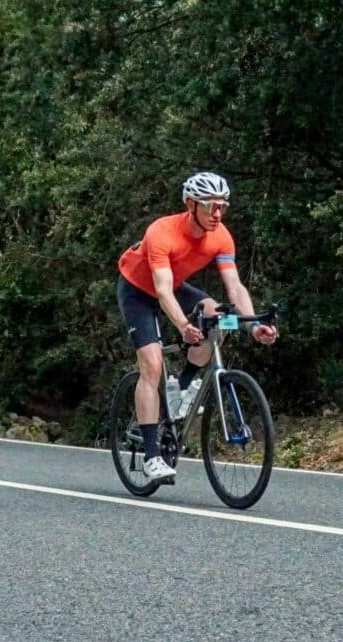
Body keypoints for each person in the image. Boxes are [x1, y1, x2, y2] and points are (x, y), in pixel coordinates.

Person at [116, 172, 277, 481]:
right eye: (210, 206)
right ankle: (151, 457)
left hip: (174, 285)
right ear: (191, 204)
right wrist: (183, 325)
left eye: (222, 206)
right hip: (137, 290)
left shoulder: (221, 236)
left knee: (217, 315)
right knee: (152, 364)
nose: (217, 213)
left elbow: (235, 287)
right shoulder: (162, 232)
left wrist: (254, 325)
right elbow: (162, 291)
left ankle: (182, 386)